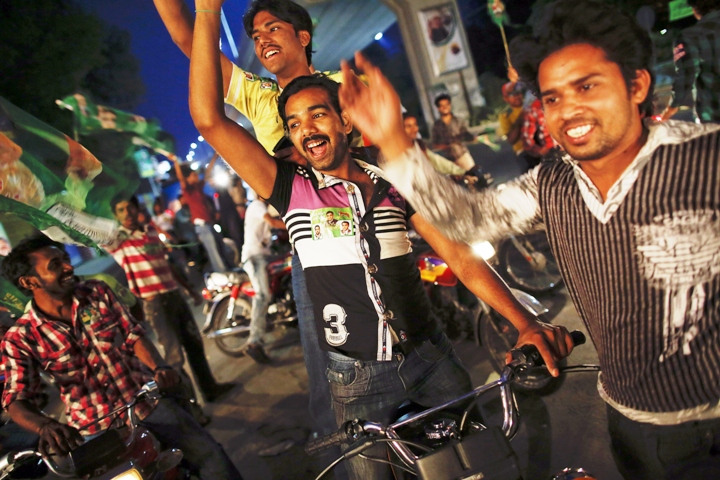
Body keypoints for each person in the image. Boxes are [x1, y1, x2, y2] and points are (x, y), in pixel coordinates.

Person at [339, 1, 720, 478]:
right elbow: (470, 220)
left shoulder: (707, 159)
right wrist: (393, 140)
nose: (567, 110)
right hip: (628, 420)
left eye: (587, 86)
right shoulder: (554, 183)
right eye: (553, 97)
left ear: (637, 85)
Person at [187, 10, 572, 477]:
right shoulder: (290, 187)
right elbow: (209, 118)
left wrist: (524, 322)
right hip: (356, 381)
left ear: (346, 122)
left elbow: (459, 257)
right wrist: (207, 13)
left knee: (487, 466)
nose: (306, 129)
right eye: (293, 123)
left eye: (317, 114)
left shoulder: (395, 181)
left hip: (434, 362)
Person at [153, 2, 361, 467]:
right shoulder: (258, 95)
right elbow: (189, 39)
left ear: (303, 37)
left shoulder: (343, 89)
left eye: (274, 28)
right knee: (331, 376)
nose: (262, 38)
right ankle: (352, 461)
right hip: (312, 248)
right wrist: (207, 9)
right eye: (256, 33)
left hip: (371, 234)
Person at [0, 234, 243, 479]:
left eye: (65, 259)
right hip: (94, 430)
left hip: (146, 403)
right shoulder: (20, 338)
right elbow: (16, 399)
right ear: (30, 282)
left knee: (210, 456)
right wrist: (45, 426)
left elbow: (133, 334)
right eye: (55, 265)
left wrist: (159, 367)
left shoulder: (97, 293)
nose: (68, 266)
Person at [106, 196, 236, 405]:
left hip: (174, 295)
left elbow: (167, 266)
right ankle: (190, 407)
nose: (127, 213)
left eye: (130, 208)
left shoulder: (150, 231)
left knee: (194, 344)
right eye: (121, 210)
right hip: (155, 304)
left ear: (138, 209)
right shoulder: (119, 241)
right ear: (116, 216)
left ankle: (210, 390)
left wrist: (188, 290)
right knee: (174, 357)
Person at [240, 197, 285, 363]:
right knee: (262, 295)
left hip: (264, 256)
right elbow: (272, 222)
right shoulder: (256, 205)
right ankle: (253, 342)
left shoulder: (264, 208)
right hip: (254, 257)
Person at [662, 0, 720, 123]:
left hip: (714, 115)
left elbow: (686, 75)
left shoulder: (689, 36)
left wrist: (672, 107)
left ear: (695, 10)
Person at [170, 153, 228, 273]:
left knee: (220, 245)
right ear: (188, 179)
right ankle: (223, 273)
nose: (196, 176)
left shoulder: (198, 187)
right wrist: (176, 162)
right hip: (202, 226)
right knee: (214, 251)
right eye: (193, 175)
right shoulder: (188, 191)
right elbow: (181, 178)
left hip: (209, 222)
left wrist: (215, 156)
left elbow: (207, 173)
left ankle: (228, 268)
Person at [403, 113, 467, 176]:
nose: (414, 129)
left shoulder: (419, 145)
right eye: (409, 126)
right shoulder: (397, 152)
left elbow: (437, 162)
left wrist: (460, 171)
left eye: (415, 125)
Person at [430, 93, 478, 173]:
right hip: (448, 160)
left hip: (462, 155)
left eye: (447, 105)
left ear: (450, 105)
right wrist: (445, 146)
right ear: (438, 108)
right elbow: (435, 143)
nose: (445, 108)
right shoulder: (437, 125)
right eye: (442, 106)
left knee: (474, 177)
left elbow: (466, 134)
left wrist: (473, 137)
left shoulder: (458, 121)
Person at [497, 81, 525, 155]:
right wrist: (520, 120)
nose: (517, 96)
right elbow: (511, 140)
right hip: (523, 151)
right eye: (513, 94)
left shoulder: (531, 104)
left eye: (518, 93)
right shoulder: (505, 115)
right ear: (506, 98)